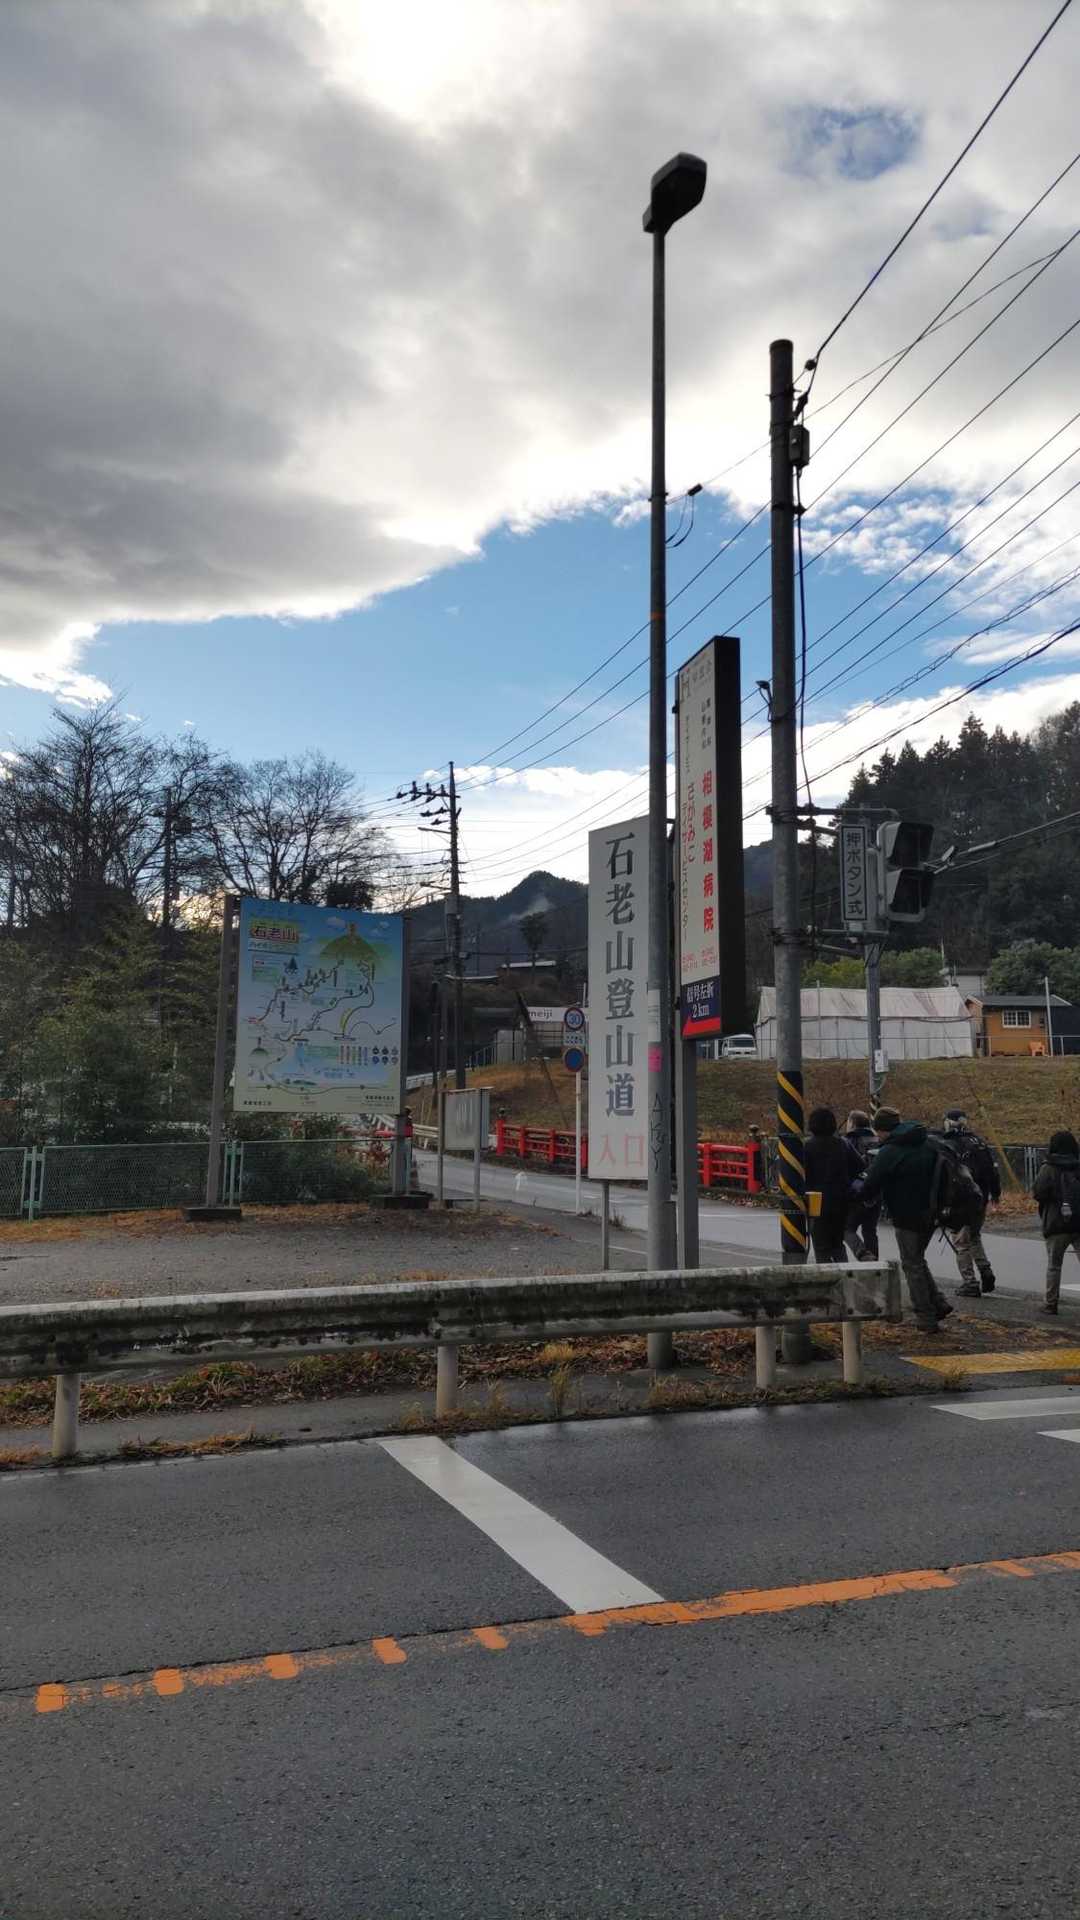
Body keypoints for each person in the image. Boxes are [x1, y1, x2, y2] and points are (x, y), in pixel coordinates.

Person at [855, 1107, 953, 1333]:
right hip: (934, 1211)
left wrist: (856, 1196)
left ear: (882, 1130)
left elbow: (871, 1185)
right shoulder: (928, 1142)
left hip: (907, 1214)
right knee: (917, 1259)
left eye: (878, 1132)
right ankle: (938, 1303)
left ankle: (926, 1317)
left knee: (912, 1264)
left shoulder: (890, 1151)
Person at [935, 1108, 1001, 1298]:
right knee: (974, 1236)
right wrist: (995, 1193)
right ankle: (985, 1270)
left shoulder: (950, 1144)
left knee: (961, 1241)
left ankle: (970, 1283)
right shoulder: (978, 1142)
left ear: (949, 1122)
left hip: (961, 1200)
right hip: (981, 1197)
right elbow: (992, 1170)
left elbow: (947, 1175)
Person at [804, 1106, 863, 1263]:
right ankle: (843, 1273)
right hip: (841, 1200)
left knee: (821, 1246)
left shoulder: (807, 1146)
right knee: (837, 1244)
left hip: (816, 1202)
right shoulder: (842, 1144)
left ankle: (827, 1275)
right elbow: (860, 1166)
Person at [1032, 1129, 1080, 1315]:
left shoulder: (1049, 1167)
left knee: (1054, 1265)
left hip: (1056, 1222)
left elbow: (1038, 1193)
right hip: (1079, 1222)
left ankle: (1051, 1303)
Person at [843, 1108, 880, 1260]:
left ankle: (863, 1254)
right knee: (870, 1230)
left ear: (852, 1123)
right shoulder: (878, 1140)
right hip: (876, 1193)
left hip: (856, 1192)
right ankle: (875, 1263)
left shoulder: (850, 1141)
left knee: (846, 1228)